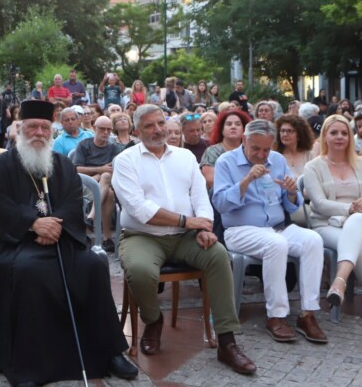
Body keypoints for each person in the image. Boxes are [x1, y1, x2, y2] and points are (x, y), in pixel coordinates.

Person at [0, 100, 137, 385]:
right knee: (28, 271)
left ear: (52, 131)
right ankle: (29, 363)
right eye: (32, 127)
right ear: (20, 130)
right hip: (16, 243)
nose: (39, 133)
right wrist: (33, 223)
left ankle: (109, 351)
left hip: (62, 238)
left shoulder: (62, 164)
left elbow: (74, 203)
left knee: (94, 265)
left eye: (44, 127)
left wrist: (54, 225)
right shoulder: (0, 166)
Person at [113, 105, 255, 373]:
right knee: (140, 270)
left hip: (186, 237)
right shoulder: (125, 160)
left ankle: (227, 341)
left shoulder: (185, 157)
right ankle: (153, 320)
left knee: (218, 256)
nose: (158, 130)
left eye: (160, 123)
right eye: (149, 126)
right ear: (136, 131)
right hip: (143, 236)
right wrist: (186, 221)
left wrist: (204, 227)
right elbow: (139, 209)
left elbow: (200, 197)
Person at [213, 119, 328, 343]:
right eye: (256, 149)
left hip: (276, 227)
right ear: (244, 140)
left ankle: (308, 313)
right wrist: (247, 180)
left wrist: (292, 192)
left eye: (266, 149)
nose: (261, 155)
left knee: (313, 240)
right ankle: (276, 316)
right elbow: (220, 204)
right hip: (240, 230)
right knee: (276, 244)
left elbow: (290, 205)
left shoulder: (277, 160)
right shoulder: (226, 162)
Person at [303, 116, 362, 323]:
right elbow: (319, 204)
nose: (339, 137)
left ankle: (339, 282)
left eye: (344, 133)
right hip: (326, 225)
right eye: (334, 133)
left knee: (357, 221)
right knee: (361, 247)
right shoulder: (313, 167)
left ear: (351, 137)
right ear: (324, 136)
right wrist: (351, 208)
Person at [71, 116, 123, 253]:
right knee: (106, 184)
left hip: (106, 184)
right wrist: (99, 171)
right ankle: (106, 238)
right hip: (86, 185)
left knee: (106, 181)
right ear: (94, 128)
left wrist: (99, 175)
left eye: (109, 129)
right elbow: (77, 169)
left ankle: (91, 217)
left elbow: (113, 170)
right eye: (102, 129)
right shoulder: (84, 145)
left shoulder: (113, 148)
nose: (106, 132)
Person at [200, 109, 251, 190]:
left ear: (244, 129)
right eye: (229, 124)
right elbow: (210, 181)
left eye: (238, 124)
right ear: (222, 130)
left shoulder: (250, 151)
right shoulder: (212, 152)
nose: (233, 127)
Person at [275, 114, 315, 178]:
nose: (285, 134)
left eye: (290, 131)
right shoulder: (275, 156)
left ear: (300, 134)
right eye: (282, 131)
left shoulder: (309, 156)